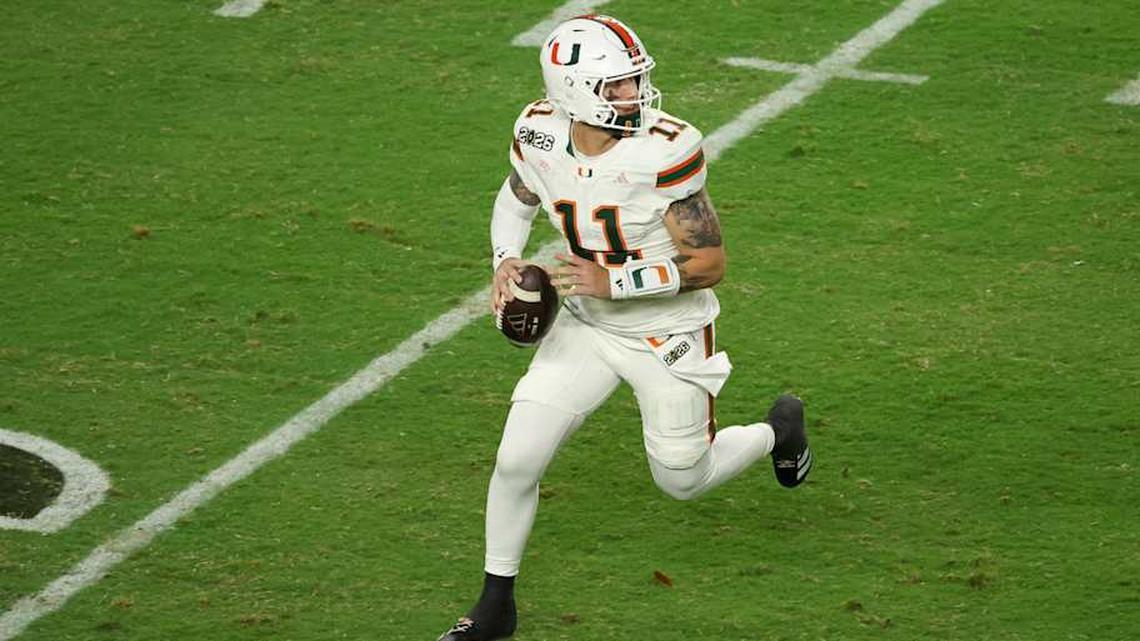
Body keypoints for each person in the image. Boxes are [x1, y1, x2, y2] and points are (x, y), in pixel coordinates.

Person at [437, 15, 813, 641]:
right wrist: (505, 261)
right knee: (516, 459)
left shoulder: (664, 149)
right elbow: (516, 198)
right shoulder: (539, 133)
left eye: (636, 82)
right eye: (617, 87)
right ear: (573, 91)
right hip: (584, 324)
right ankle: (495, 606)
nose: (634, 96)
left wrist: (614, 280)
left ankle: (777, 431)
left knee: (682, 479)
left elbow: (708, 262)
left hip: (665, 330)